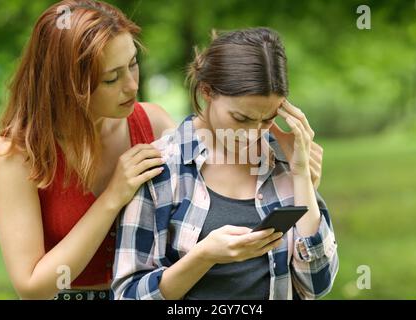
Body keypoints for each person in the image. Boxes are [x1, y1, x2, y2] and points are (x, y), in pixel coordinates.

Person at [111, 27, 338, 300]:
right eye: (241, 118)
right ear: (207, 91)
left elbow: (317, 285)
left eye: (267, 119)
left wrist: (302, 177)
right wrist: (203, 257)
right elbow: (127, 295)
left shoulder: (286, 161)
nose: (253, 133)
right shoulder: (160, 167)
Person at [0, 0, 175, 300]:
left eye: (132, 64)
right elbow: (32, 287)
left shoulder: (152, 124)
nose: (131, 86)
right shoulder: (20, 153)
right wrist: (112, 197)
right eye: (111, 78)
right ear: (67, 84)